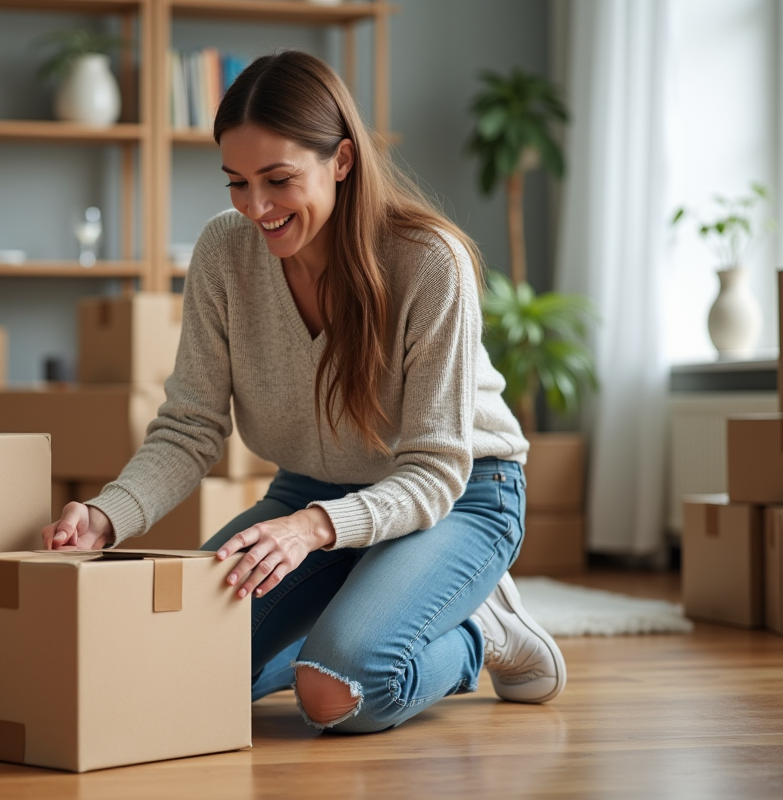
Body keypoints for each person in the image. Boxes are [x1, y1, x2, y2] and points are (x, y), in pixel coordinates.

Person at [41, 50, 565, 733]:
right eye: (237, 182)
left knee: (335, 694)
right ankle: (350, 614)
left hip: (458, 497)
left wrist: (313, 529)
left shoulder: (429, 262)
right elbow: (190, 427)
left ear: (341, 160)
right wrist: (105, 517)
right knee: (166, 668)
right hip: (312, 491)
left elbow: (437, 469)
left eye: (278, 179)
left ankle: (479, 633)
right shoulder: (223, 253)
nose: (255, 207)